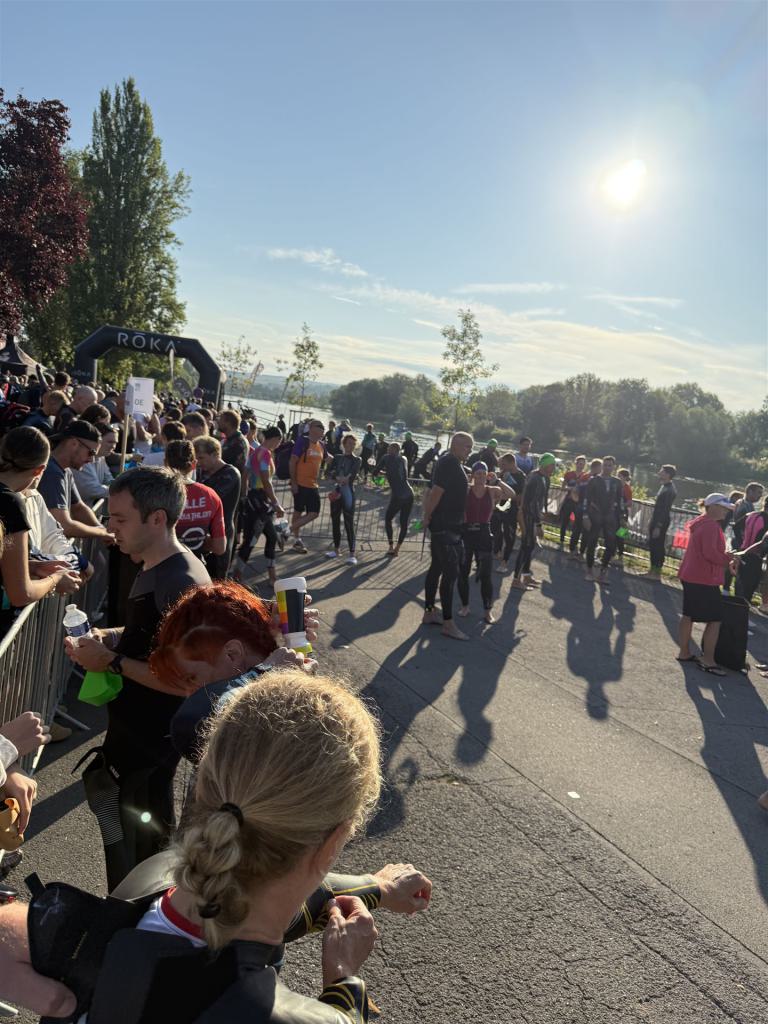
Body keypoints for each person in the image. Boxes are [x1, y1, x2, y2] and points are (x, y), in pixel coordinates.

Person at [0, 669, 432, 1023]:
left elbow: (239, 904)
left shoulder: (155, 875)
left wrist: (376, 887)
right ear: (336, 840)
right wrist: (343, 978)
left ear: (206, 784)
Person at [65, 466, 211, 888]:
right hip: (135, 740)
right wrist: (109, 638)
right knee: (126, 841)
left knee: (146, 852)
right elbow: (147, 636)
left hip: (151, 747)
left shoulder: (181, 581)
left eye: (120, 519)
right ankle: (129, 908)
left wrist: (110, 661)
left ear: (157, 519)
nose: (110, 528)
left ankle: (141, 917)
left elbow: (187, 681)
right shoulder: (156, 565)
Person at [149, 580, 320, 762]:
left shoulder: (260, 728)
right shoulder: (261, 705)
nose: (189, 694)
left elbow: (189, 723)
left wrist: (264, 674)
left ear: (232, 654)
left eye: (192, 678)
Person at [0, 428, 76, 629]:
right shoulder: (10, 503)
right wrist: (55, 579)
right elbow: (21, 594)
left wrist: (33, 567)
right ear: (39, 470)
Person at [677, 494, 740, 675]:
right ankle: (708, 660)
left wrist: (724, 556)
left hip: (691, 574)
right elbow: (710, 554)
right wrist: (728, 559)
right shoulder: (711, 526)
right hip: (703, 578)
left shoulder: (701, 522)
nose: (726, 511)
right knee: (715, 619)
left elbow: (707, 551)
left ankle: (684, 652)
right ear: (712, 507)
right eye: (723, 508)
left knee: (688, 614)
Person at [422, 433, 473, 640]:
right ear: (456, 445)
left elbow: (437, 490)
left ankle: (429, 612)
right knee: (450, 574)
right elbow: (436, 491)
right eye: (467, 446)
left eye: (471, 447)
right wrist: (427, 516)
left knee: (436, 568)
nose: (470, 450)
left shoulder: (450, 462)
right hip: (446, 527)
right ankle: (448, 623)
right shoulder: (450, 462)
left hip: (447, 526)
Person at [36, 420, 114, 544]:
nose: (92, 460)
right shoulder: (52, 472)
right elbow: (64, 525)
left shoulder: (65, 471)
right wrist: (102, 533)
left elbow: (78, 508)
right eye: (91, 452)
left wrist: (101, 529)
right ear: (73, 443)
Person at [457, 462, 516, 623]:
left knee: (485, 575)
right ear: (473, 475)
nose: (481, 477)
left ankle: (487, 611)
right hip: (467, 533)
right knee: (463, 573)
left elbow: (511, 494)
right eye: (478, 473)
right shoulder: (466, 489)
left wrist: (498, 480)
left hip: (483, 533)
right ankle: (465, 606)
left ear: (487, 475)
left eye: (484, 473)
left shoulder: (492, 490)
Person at [233, 426, 286, 584]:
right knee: (253, 539)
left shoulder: (255, 451)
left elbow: (245, 475)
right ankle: (238, 574)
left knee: (267, 536)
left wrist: (245, 496)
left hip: (253, 499)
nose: (278, 444)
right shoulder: (265, 454)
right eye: (279, 441)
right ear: (275, 439)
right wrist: (276, 503)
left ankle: (271, 576)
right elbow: (265, 480)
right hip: (261, 501)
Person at [165, 440, 227, 561]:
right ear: (194, 464)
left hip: (161, 564)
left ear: (165, 463)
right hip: (196, 565)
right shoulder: (210, 495)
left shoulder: (154, 494)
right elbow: (220, 547)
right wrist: (199, 540)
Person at [194, 436, 242, 580]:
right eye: (196, 458)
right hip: (202, 533)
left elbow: (209, 499)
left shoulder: (231, 474)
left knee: (217, 580)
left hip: (221, 533)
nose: (198, 462)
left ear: (215, 454)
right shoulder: (202, 471)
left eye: (201, 458)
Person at [512, 453, 557, 592]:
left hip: (534, 515)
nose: (554, 467)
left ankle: (526, 576)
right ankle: (516, 580)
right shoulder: (534, 478)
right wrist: (538, 524)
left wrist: (544, 512)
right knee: (526, 546)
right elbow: (530, 503)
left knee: (530, 546)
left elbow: (541, 500)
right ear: (545, 464)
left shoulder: (545, 478)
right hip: (528, 515)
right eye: (552, 464)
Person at [582, 455, 626, 584]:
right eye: (605, 465)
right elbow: (586, 499)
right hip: (595, 514)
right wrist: (585, 516)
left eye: (610, 465)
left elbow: (620, 500)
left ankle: (603, 572)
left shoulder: (617, 482)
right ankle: (589, 571)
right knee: (591, 542)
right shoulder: (594, 480)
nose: (607, 467)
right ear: (602, 466)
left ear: (614, 467)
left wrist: (622, 517)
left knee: (611, 545)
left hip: (610, 516)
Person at [289, 419, 325, 554]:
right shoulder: (303, 441)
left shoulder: (322, 445)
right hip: (300, 483)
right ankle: (296, 540)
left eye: (321, 428)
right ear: (310, 429)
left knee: (314, 513)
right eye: (318, 427)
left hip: (313, 484)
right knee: (298, 511)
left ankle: (286, 532)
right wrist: (293, 482)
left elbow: (329, 458)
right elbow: (292, 461)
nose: (320, 430)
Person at [327, 433, 362, 564]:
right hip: (337, 492)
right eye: (348, 443)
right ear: (344, 444)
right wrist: (337, 478)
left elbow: (351, 476)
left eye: (353, 444)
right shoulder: (337, 457)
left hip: (348, 493)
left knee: (349, 523)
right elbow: (328, 472)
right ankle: (336, 550)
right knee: (335, 521)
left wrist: (339, 478)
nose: (351, 446)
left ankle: (352, 554)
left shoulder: (357, 460)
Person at [640, 464, 678, 580]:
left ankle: (656, 572)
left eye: (661, 471)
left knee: (657, 546)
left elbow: (665, 509)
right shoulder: (665, 486)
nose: (659, 473)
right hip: (657, 519)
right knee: (653, 545)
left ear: (668, 474)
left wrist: (658, 526)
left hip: (661, 521)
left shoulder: (669, 489)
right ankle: (652, 570)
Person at [492, 452, 525, 573]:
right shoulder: (503, 473)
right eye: (501, 465)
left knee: (509, 534)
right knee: (495, 529)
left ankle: (504, 562)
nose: (502, 467)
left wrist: (506, 496)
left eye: (504, 464)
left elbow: (520, 496)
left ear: (512, 463)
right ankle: (497, 551)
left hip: (511, 509)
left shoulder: (521, 476)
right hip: (499, 507)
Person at [379, 442, 414, 558]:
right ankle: (397, 549)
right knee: (404, 522)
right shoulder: (404, 459)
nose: (387, 450)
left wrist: (380, 473)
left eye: (389, 448)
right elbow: (402, 476)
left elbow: (375, 470)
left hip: (398, 495)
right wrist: (387, 473)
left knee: (388, 519)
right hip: (409, 494)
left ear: (393, 449)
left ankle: (390, 546)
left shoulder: (386, 457)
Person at [733, 496, 768, 603]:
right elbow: (763, 542)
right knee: (751, 584)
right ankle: (742, 605)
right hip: (756, 555)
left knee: (740, 581)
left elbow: (735, 527)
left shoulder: (751, 514)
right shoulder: (766, 520)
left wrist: (741, 541)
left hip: (743, 550)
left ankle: (736, 603)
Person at [72, 423, 117, 504]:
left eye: (115, 443)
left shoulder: (101, 457)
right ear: (98, 441)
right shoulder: (83, 459)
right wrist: (120, 490)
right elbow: (92, 490)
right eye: (110, 442)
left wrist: (120, 484)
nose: (113, 446)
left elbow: (108, 479)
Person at [218, 408, 250, 501]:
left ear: (228, 423)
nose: (218, 422)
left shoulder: (238, 443)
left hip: (229, 491)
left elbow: (234, 468)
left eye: (221, 420)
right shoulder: (232, 439)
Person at [559, 456, 587, 547]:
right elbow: (563, 487)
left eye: (583, 464)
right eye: (580, 463)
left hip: (579, 503)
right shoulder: (569, 474)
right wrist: (571, 489)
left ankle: (572, 542)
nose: (581, 465)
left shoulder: (586, 476)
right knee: (565, 521)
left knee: (577, 523)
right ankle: (562, 540)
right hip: (569, 501)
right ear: (576, 463)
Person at [615, 468, 633, 564]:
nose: (618, 478)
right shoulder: (616, 486)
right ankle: (612, 554)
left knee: (621, 535)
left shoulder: (627, 488)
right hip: (614, 513)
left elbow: (629, 503)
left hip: (623, 514)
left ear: (625, 478)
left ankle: (620, 556)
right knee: (613, 533)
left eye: (620, 476)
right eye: (617, 476)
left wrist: (620, 505)